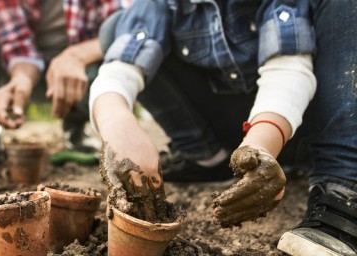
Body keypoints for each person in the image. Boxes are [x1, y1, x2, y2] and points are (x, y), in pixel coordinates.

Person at [91, 0, 356, 255]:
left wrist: (261, 144)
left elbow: (288, 69)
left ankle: (342, 189)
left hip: (302, 125)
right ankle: (207, 157)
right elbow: (121, 67)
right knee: (116, 28)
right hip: (234, 132)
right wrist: (118, 123)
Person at [0, 0, 133, 167]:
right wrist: (22, 78)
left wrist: (76, 57)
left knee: (124, 48)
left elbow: (122, 29)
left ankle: (76, 126)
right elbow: (17, 44)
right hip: (17, 70)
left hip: (83, 71)